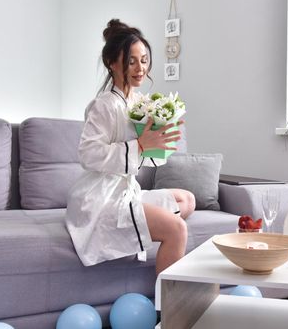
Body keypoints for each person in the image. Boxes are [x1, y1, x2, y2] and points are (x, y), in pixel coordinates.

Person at [66, 19, 195, 275]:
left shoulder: (137, 102)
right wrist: (139, 145)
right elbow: (88, 154)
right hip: (102, 197)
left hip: (126, 189)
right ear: (112, 63)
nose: (140, 68)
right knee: (177, 228)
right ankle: (168, 310)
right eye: (131, 61)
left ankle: (144, 229)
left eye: (144, 60)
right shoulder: (104, 105)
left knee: (187, 199)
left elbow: (144, 155)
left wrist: (160, 143)